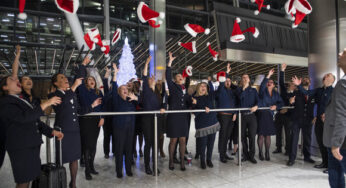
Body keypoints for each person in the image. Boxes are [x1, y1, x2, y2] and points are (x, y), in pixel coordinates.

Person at [0, 45, 63, 188]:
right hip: (21, 147)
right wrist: (46, 103)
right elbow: (24, 117)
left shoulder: (20, 99)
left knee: (28, 179)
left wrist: (51, 131)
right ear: (4, 87)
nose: (17, 79)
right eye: (12, 80)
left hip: (31, 144)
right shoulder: (5, 103)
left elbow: (34, 121)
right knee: (23, 182)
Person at [48, 70, 99, 188]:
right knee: (60, 159)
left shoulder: (72, 94)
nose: (65, 78)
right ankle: (60, 183)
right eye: (61, 78)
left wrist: (92, 106)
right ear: (55, 83)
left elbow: (79, 111)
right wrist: (74, 87)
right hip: (62, 131)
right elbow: (63, 104)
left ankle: (73, 183)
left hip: (75, 130)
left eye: (65, 77)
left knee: (75, 158)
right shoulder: (53, 95)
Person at [292, 72, 335, 171]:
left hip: (329, 121)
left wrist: (328, 114)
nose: (325, 76)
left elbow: (337, 106)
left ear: (332, 80)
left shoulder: (334, 91)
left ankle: (331, 165)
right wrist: (298, 85)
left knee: (329, 143)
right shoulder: (319, 90)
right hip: (319, 121)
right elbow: (307, 93)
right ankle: (324, 163)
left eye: (328, 75)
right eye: (325, 75)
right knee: (321, 142)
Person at [75, 57, 104, 180]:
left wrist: (102, 117)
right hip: (86, 120)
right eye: (89, 79)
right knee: (87, 146)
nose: (92, 80)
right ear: (86, 82)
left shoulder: (99, 93)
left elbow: (103, 106)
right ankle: (87, 169)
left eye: (93, 79)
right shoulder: (82, 90)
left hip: (96, 121)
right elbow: (79, 79)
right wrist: (82, 66)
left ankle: (91, 166)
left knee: (93, 145)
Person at [282, 64, 315, 166]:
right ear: (300, 81)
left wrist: (315, 116)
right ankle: (292, 158)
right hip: (296, 119)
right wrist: (290, 101)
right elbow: (284, 92)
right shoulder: (296, 93)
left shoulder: (313, 93)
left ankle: (307, 156)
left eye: (308, 79)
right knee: (294, 139)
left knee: (307, 138)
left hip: (308, 120)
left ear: (310, 82)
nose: (306, 80)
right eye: (304, 79)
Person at [323, 48, 346, 188]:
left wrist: (336, 143)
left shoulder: (343, 84)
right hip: (340, 138)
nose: (339, 54)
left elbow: (342, 114)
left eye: (343, 53)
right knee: (336, 174)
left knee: (336, 173)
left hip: (340, 142)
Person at [111, 63, 138, 178]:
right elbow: (113, 86)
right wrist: (115, 73)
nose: (125, 90)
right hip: (119, 128)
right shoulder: (116, 99)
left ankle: (128, 170)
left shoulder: (131, 100)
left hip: (130, 128)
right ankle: (119, 171)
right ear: (119, 91)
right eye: (122, 89)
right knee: (119, 149)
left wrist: (136, 98)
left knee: (129, 149)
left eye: (126, 88)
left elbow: (141, 103)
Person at [166, 52, 192, 171]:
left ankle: (182, 161)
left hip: (183, 117)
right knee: (173, 140)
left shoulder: (184, 89)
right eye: (178, 77)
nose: (180, 77)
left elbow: (188, 101)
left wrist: (193, 101)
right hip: (174, 116)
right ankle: (171, 161)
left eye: (181, 77)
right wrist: (170, 63)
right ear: (175, 80)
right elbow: (167, 76)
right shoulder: (173, 86)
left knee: (183, 140)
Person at [141, 56, 166, 175]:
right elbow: (144, 75)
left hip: (157, 120)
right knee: (148, 143)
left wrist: (163, 108)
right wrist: (146, 63)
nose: (152, 79)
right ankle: (147, 166)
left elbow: (163, 104)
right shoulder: (145, 90)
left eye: (154, 78)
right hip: (147, 120)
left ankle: (155, 164)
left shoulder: (157, 93)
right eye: (150, 78)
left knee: (156, 143)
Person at [192, 79, 220, 169]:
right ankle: (203, 161)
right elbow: (194, 112)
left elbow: (220, 90)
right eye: (201, 86)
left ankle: (209, 159)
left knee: (211, 144)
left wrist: (224, 76)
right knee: (202, 144)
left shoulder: (210, 95)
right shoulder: (194, 98)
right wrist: (203, 108)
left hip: (212, 123)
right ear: (198, 88)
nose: (203, 87)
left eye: (205, 86)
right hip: (202, 125)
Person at [257, 69, 284, 161]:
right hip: (261, 115)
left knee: (267, 135)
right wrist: (268, 75)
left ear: (274, 85)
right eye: (268, 82)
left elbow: (281, 103)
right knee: (261, 135)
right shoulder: (262, 91)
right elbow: (262, 85)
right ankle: (260, 152)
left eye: (271, 82)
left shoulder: (276, 94)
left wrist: (276, 106)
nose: (269, 83)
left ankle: (267, 152)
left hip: (269, 115)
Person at [235, 74, 259, 164]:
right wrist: (244, 89)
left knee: (252, 136)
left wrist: (257, 106)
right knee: (242, 137)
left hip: (252, 116)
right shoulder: (238, 90)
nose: (244, 79)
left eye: (246, 77)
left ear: (249, 79)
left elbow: (258, 100)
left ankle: (251, 156)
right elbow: (240, 98)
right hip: (242, 116)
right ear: (242, 80)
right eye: (243, 78)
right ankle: (245, 155)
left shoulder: (254, 90)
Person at [216, 63, 237, 163]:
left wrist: (235, 113)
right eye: (226, 81)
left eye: (229, 81)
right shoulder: (221, 90)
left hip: (231, 117)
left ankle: (224, 153)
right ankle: (221, 155)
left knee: (227, 136)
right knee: (223, 135)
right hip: (223, 116)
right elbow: (221, 83)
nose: (228, 83)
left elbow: (235, 103)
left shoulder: (232, 92)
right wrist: (227, 73)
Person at [274, 64, 295, 155]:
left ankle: (288, 149)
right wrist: (282, 70)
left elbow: (296, 106)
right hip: (279, 114)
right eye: (290, 83)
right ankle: (278, 148)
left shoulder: (296, 94)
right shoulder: (284, 91)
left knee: (288, 133)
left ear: (294, 86)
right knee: (278, 132)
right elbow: (281, 82)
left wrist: (287, 110)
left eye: (292, 84)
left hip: (288, 116)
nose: (290, 84)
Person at [102, 66, 114, 159]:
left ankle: (114, 151)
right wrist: (108, 72)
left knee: (114, 135)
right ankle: (106, 152)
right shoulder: (107, 92)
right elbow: (105, 81)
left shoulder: (117, 94)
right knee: (106, 136)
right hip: (106, 118)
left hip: (114, 118)